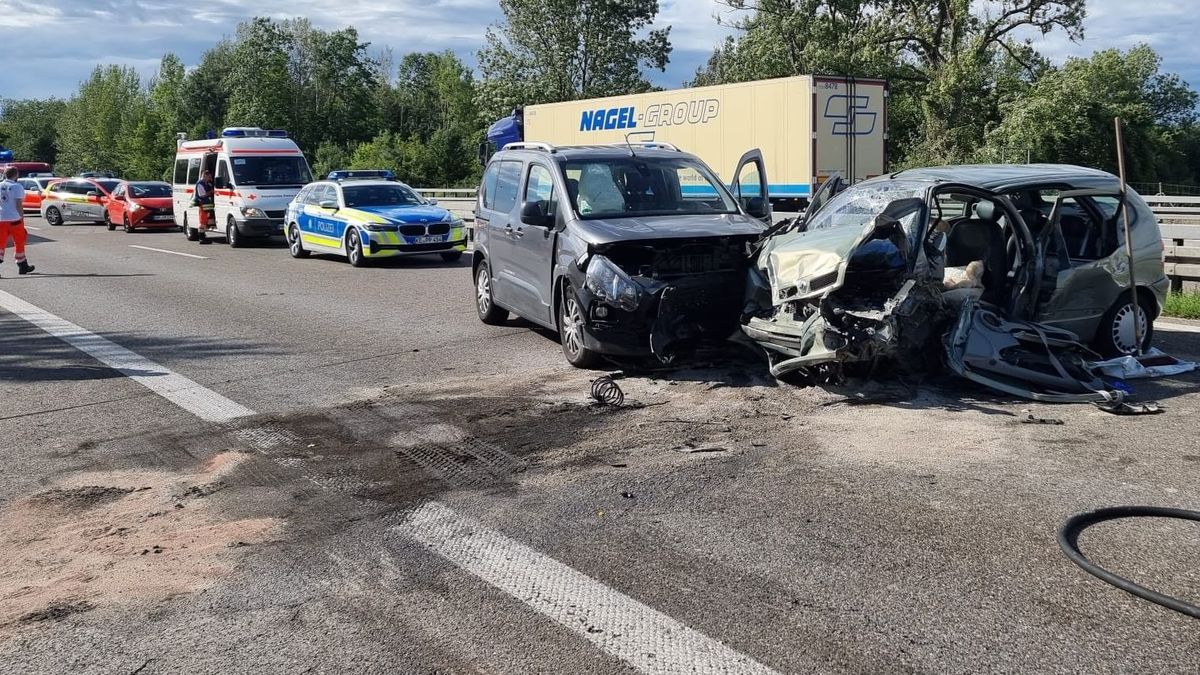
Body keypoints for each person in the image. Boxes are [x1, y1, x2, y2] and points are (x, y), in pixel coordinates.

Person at [0, 167, 34, 276]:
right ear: (16, 175)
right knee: (19, 241)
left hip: (1, 219)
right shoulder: (17, 187)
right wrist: (22, 218)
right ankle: (22, 265)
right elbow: (18, 204)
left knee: (0, 243)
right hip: (14, 219)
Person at [194, 169, 215, 244]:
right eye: (209, 177)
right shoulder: (200, 184)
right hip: (202, 205)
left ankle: (203, 236)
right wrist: (210, 192)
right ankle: (201, 238)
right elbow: (202, 195)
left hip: (207, 205)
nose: (210, 178)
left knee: (205, 221)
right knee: (202, 222)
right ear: (205, 175)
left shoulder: (207, 183)